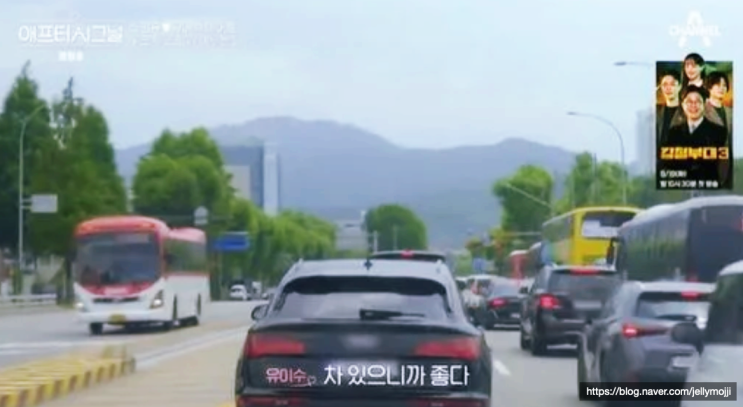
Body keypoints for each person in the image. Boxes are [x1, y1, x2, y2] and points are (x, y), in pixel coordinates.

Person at [666, 85, 728, 184]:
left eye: (698, 101)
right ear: (682, 105)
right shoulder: (673, 133)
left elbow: (723, 167)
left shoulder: (719, 132)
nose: (693, 105)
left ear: (704, 104)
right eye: (689, 102)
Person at [656, 70, 683, 145]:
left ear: (679, 86)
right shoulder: (656, 111)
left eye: (672, 84)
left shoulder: (686, 111)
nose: (668, 88)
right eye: (664, 85)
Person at [704, 71, 733, 139]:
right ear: (709, 87)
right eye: (718, 84)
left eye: (724, 85)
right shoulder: (702, 110)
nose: (722, 88)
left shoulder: (730, 111)